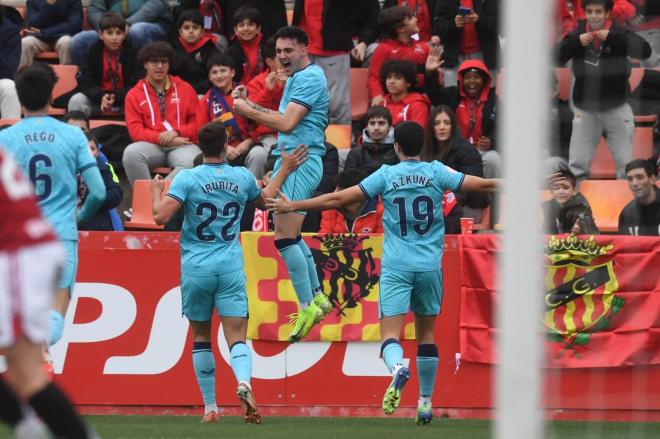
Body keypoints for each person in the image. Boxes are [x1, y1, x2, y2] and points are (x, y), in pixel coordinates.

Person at [267, 121, 498, 423]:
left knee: (390, 335)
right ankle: (425, 402)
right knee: (427, 334)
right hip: (429, 266)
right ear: (422, 145)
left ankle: (397, 368)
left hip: (397, 267)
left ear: (397, 147)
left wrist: (294, 204)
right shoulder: (437, 172)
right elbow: (481, 185)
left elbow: (338, 198)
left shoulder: (386, 175)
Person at [150, 121, 307, 423]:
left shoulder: (187, 178)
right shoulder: (242, 177)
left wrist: (156, 192)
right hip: (230, 267)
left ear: (199, 146)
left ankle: (210, 408)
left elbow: (159, 216)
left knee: (200, 336)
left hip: (197, 267)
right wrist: (284, 169)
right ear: (226, 146)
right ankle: (244, 383)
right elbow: (265, 204)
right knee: (237, 337)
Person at [232, 26, 333, 342]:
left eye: (289, 50)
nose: (283, 57)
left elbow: (287, 122)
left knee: (284, 238)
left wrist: (247, 109)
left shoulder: (310, 78)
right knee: (292, 236)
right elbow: (284, 117)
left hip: (300, 162)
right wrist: (251, 105)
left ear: (305, 49)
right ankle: (317, 297)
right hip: (296, 160)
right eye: (279, 52)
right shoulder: (298, 79)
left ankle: (305, 307)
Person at [0, 64, 106, 353]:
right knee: (56, 308)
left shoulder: (5, 139)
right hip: (60, 235)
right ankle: (43, 347)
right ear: (51, 97)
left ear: (20, 100)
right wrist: (79, 218)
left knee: (19, 311)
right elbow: (98, 191)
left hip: (18, 238)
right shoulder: (73, 136)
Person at [0, 147, 95, 439]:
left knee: (27, 374)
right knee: (25, 373)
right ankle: (28, 428)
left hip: (20, 253)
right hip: (33, 248)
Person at [558, 0, 651, 182]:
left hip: (617, 106)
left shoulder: (618, 31)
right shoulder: (578, 31)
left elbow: (645, 51)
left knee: (626, 166)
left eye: (598, 12)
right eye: (590, 12)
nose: (593, 16)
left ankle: (625, 206)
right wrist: (576, 43)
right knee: (577, 166)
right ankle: (575, 206)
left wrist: (613, 37)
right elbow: (555, 56)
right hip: (585, 110)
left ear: (608, 13)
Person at [122, 42, 200, 187]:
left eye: (164, 62)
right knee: (131, 153)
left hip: (182, 144)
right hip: (152, 146)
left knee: (192, 160)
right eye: (154, 62)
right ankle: (146, 202)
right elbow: (135, 131)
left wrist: (177, 132)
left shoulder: (185, 88)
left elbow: (198, 123)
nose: (159, 66)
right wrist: (161, 138)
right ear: (145, 64)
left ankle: (162, 198)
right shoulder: (134, 94)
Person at [292, 0, 379, 124]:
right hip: (304, 50)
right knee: (305, 103)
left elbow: (371, 15)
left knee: (336, 105)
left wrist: (363, 42)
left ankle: (341, 141)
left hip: (334, 50)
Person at [425, 57, 502, 178]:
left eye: (476, 77)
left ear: (484, 80)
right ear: (461, 80)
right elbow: (435, 95)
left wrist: (492, 141)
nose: (472, 81)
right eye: (467, 77)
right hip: (455, 149)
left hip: (483, 152)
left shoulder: (494, 101)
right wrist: (431, 74)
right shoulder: (453, 94)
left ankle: (490, 195)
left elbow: (505, 129)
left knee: (493, 159)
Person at [196, 54, 267, 178]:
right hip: (220, 150)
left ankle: (254, 194)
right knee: (201, 160)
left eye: (223, 70)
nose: (219, 75)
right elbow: (202, 132)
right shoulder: (206, 101)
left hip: (247, 146)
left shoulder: (246, 92)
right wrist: (223, 147)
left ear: (232, 72)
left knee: (259, 154)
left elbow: (260, 122)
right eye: (214, 72)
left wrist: (249, 141)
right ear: (209, 77)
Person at [422, 105, 488, 220]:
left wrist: (444, 203)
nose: (442, 127)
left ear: (453, 126)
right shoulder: (425, 149)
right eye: (437, 123)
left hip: (467, 206)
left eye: (447, 123)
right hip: (435, 205)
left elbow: (469, 188)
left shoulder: (467, 150)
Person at [68, 12, 142, 116]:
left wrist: (116, 98)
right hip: (97, 99)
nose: (114, 38)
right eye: (110, 33)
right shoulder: (91, 52)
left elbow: (136, 83)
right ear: (101, 34)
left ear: (124, 35)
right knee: (77, 101)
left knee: (139, 101)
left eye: (118, 33)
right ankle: (79, 131)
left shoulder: (135, 53)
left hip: (126, 99)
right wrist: (101, 96)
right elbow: (87, 81)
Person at [69, 0, 172, 66]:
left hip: (150, 25)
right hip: (113, 26)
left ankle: (143, 80)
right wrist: (107, 28)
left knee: (136, 30)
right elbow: (95, 9)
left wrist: (127, 24)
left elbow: (156, 3)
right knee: (79, 41)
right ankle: (91, 82)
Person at [368, 5, 430, 106]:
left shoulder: (423, 47)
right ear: (401, 28)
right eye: (410, 18)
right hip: (394, 100)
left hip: (421, 97)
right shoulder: (383, 49)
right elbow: (374, 77)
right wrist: (377, 94)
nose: (416, 19)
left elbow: (434, 77)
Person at [431, 0, 499, 86]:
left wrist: (479, 19)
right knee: (452, 95)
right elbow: (437, 26)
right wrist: (453, 24)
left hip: (485, 56)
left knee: (488, 95)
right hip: (453, 58)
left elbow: (500, 24)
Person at [79, 133, 124, 231]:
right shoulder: (66, 171)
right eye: (83, 148)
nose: (88, 152)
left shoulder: (105, 168)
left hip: (99, 224)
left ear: (98, 152)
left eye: (92, 148)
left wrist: (96, 197)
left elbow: (117, 194)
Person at [171, 9, 221, 95]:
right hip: (177, 94)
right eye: (186, 28)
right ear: (180, 32)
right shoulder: (172, 49)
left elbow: (215, 75)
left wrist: (194, 90)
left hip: (205, 93)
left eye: (195, 27)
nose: (191, 31)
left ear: (202, 32)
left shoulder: (210, 49)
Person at [19, 0, 82, 68]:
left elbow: (73, 25)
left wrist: (45, 32)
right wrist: (48, 5)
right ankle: (22, 76)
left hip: (62, 36)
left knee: (66, 42)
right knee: (25, 42)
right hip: (40, 39)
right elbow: (33, 23)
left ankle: (67, 75)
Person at [319, 169, 384, 234]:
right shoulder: (329, 209)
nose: (334, 193)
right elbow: (323, 237)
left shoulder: (380, 211)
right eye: (336, 188)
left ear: (356, 192)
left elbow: (383, 240)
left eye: (340, 189)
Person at [345, 106, 399, 177]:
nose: (376, 128)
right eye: (372, 123)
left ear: (390, 127)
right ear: (366, 127)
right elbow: (348, 183)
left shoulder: (398, 153)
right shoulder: (355, 154)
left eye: (381, 123)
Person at [541, 169, 599, 234]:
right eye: (556, 188)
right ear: (551, 191)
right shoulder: (548, 206)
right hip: (559, 242)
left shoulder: (580, 205)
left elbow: (587, 230)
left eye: (565, 188)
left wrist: (579, 231)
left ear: (574, 190)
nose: (561, 192)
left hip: (585, 242)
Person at [380, 59, 431, 129]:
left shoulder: (418, 106)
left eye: (398, 78)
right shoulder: (382, 103)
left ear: (408, 82)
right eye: (389, 77)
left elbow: (417, 135)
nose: (391, 81)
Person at [226, 7, 266, 85]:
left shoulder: (267, 48)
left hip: (263, 89)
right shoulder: (230, 52)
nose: (246, 29)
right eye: (241, 25)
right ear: (235, 30)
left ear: (258, 28)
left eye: (250, 24)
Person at [618, 158, 659, 236]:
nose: (634, 183)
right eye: (630, 179)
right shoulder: (627, 214)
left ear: (652, 179)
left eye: (639, 177)